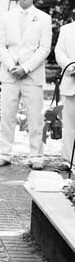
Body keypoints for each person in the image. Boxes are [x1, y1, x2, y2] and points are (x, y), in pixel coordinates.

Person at [0, 0, 52, 170]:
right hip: (10, 74)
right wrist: (12, 66)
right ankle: (4, 153)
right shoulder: (6, 17)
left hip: (32, 75)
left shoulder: (43, 18)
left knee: (35, 117)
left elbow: (44, 49)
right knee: (7, 116)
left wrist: (25, 68)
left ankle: (36, 156)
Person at [54, 20, 75, 168]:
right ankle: (68, 160)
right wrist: (71, 67)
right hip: (70, 80)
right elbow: (59, 52)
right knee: (69, 123)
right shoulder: (66, 29)